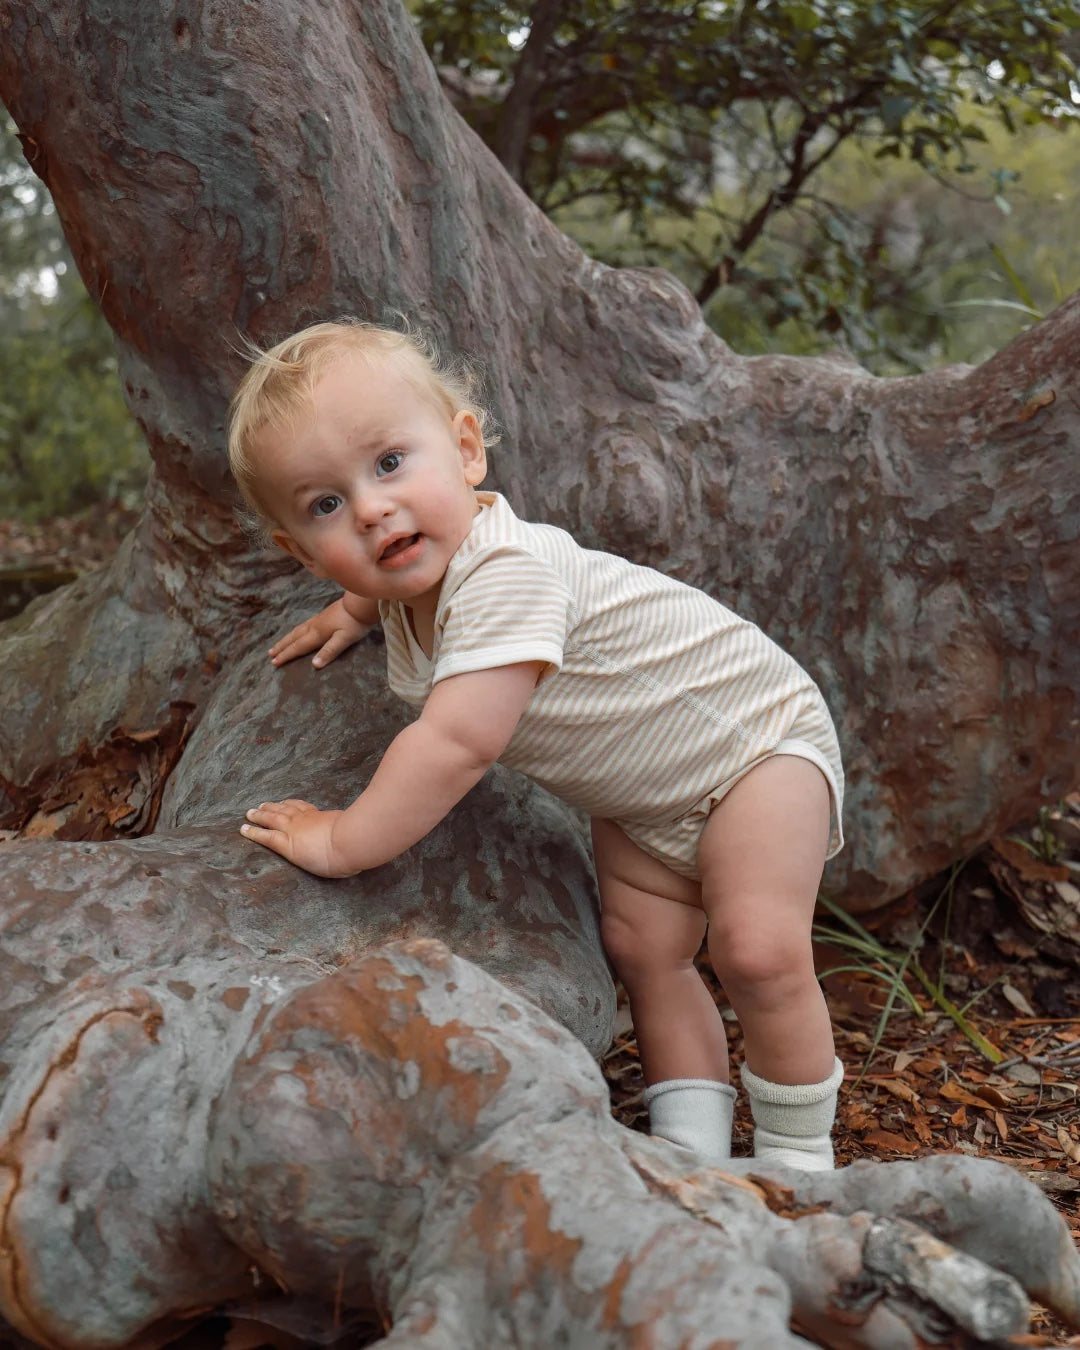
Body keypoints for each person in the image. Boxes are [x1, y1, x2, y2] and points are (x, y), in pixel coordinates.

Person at [228, 319, 846, 1171]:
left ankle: (798, 1166)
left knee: (757, 948)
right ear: (301, 551)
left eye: (390, 464)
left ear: (467, 450)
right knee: (645, 952)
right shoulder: (419, 585)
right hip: (643, 790)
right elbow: (389, 581)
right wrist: (355, 608)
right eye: (327, 506)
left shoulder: (506, 574)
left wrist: (343, 839)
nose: (373, 509)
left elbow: (455, 744)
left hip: (751, 745)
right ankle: (687, 1157)